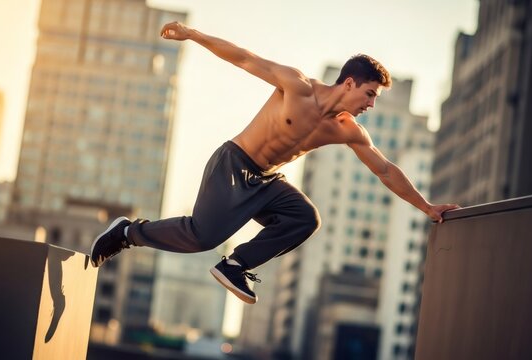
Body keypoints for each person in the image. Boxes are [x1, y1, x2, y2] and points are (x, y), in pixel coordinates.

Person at [90, 22, 460, 304]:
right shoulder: (296, 87)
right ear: (349, 83)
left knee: (305, 218)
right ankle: (128, 233)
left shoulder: (349, 131)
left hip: (266, 180)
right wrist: (191, 34)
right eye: (369, 94)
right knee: (202, 236)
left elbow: (385, 169)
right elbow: (244, 57)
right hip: (234, 164)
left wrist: (426, 207)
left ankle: (235, 266)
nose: (371, 105)